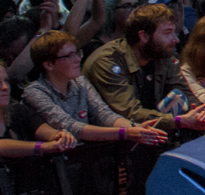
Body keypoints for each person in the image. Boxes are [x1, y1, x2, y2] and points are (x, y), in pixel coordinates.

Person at [83, 4, 205, 133]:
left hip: (154, 136)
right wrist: (178, 121)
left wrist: (201, 113)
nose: (176, 39)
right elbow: (130, 113)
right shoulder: (108, 61)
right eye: (168, 32)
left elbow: (184, 93)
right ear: (143, 36)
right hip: (114, 145)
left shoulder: (162, 55)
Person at [23, 30, 168, 145]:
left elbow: (104, 114)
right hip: (56, 166)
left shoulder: (80, 83)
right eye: (69, 56)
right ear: (48, 64)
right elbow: (70, 126)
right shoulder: (35, 92)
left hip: (88, 160)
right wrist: (126, 133)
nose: (77, 59)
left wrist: (134, 127)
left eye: (77, 53)